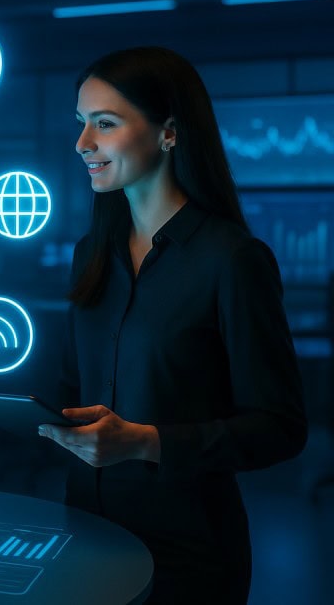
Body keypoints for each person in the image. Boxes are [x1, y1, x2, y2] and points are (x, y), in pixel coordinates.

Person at [39, 46, 307, 602]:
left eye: (105, 124)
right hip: (86, 536)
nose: (82, 144)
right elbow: (74, 391)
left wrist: (145, 442)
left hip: (187, 556)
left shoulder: (231, 259)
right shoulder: (92, 252)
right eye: (82, 124)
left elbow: (280, 427)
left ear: (168, 133)